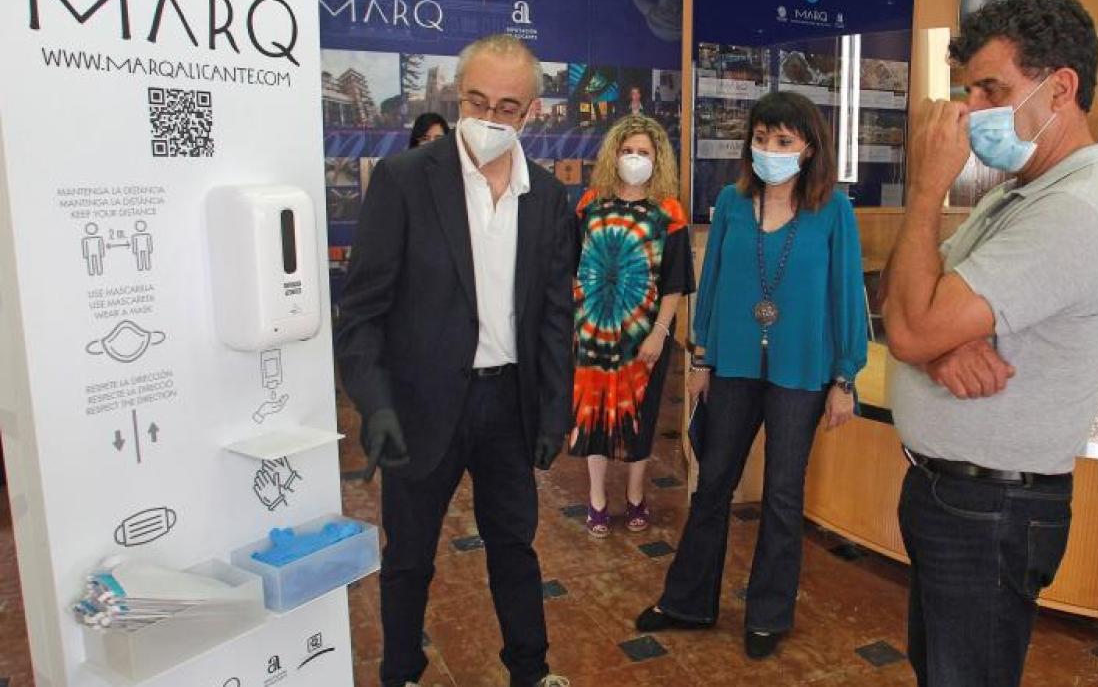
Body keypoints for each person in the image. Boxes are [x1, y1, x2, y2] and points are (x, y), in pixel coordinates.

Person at [882, 0, 1098, 686]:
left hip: (990, 508)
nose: (969, 110)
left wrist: (926, 189)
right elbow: (923, 306)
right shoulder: (1018, 190)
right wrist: (943, 341)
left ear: (1061, 88)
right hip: (959, 497)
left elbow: (908, 322)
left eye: (991, 88)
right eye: (967, 89)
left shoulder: (1075, 212)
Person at [335, 34, 576, 687]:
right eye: (476, 100)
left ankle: (531, 672)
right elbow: (360, 314)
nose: (490, 118)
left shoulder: (548, 199)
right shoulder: (407, 180)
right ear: (456, 96)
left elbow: (555, 316)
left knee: (514, 548)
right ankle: (401, 674)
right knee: (408, 556)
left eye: (507, 106)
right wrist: (375, 403)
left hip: (508, 405)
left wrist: (557, 406)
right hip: (420, 404)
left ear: (530, 113)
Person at [635, 91, 868, 659]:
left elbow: (846, 295)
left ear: (808, 148)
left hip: (802, 373)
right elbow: (710, 283)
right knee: (713, 484)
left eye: (783, 141)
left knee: (783, 495)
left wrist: (845, 378)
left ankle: (768, 612)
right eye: (761, 138)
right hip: (734, 364)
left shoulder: (833, 209)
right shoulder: (734, 203)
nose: (770, 150)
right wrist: (702, 357)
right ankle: (688, 601)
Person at [570, 115, 695, 537]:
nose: (634, 159)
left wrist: (660, 334)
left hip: (644, 340)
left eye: (643, 152)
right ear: (613, 155)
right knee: (592, 418)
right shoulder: (590, 205)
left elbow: (676, 283)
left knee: (638, 417)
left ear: (657, 158)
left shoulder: (669, 214)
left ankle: (637, 495)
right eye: (627, 151)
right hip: (592, 335)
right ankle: (597, 499)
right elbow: (571, 268)